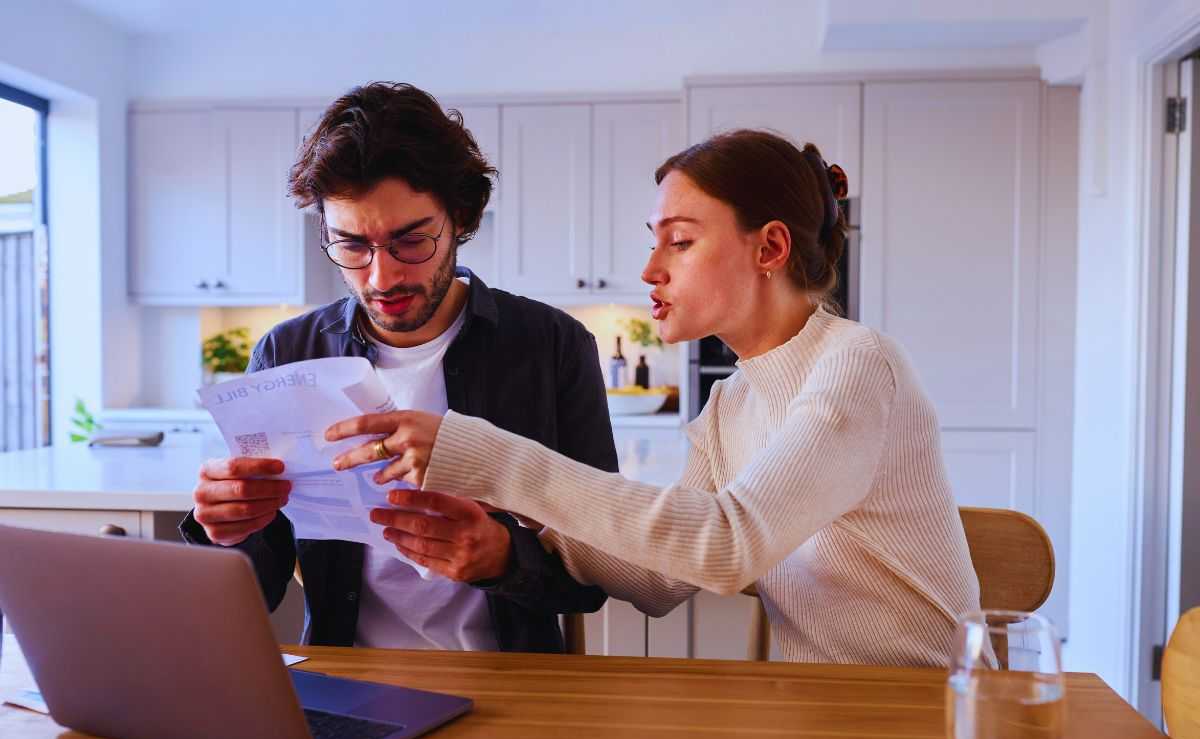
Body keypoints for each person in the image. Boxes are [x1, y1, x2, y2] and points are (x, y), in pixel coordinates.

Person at [326, 129, 983, 667]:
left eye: (681, 240)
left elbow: (727, 547)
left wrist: (489, 459)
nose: (649, 268)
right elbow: (659, 580)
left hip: (928, 720)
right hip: (823, 721)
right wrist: (513, 524)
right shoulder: (732, 404)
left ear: (770, 248)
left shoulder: (857, 364)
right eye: (654, 238)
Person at [182, 82, 615, 654]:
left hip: (518, 686)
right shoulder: (287, 354)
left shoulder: (553, 346)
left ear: (460, 217)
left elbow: (597, 576)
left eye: (411, 242)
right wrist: (224, 529)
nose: (381, 278)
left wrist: (503, 558)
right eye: (352, 246)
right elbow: (255, 590)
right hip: (350, 677)